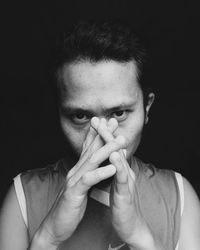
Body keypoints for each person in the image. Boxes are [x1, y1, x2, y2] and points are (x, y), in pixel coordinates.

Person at [0, 20, 200, 250]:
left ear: (147, 108)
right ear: (59, 114)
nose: (104, 135)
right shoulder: (23, 196)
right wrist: (48, 237)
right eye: (80, 117)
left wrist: (140, 237)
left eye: (119, 113)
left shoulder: (178, 195)